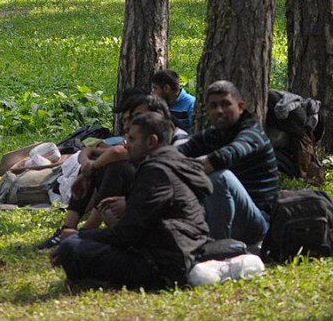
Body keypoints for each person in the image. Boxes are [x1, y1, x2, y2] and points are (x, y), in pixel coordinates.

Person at [51, 112, 212, 291]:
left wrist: (78, 235)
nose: (128, 145)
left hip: (164, 265)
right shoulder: (177, 162)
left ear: (151, 141)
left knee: (72, 248)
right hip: (187, 250)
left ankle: (91, 280)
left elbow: (125, 235)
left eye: (132, 140)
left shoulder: (156, 170)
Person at [36, 94, 189, 250]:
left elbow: (118, 153)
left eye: (137, 116)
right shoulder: (142, 136)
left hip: (159, 210)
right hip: (141, 200)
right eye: (128, 120)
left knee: (117, 166)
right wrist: (91, 166)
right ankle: (68, 229)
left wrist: (93, 166)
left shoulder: (178, 140)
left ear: (159, 116)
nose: (130, 125)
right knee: (107, 164)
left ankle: (86, 231)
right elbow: (105, 150)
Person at [179, 80, 279, 246]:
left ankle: (219, 248)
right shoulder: (212, 135)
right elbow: (179, 152)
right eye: (213, 106)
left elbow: (225, 156)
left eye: (225, 104)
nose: (219, 111)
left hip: (257, 222)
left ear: (240, 107)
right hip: (221, 214)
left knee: (219, 178)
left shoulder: (252, 134)